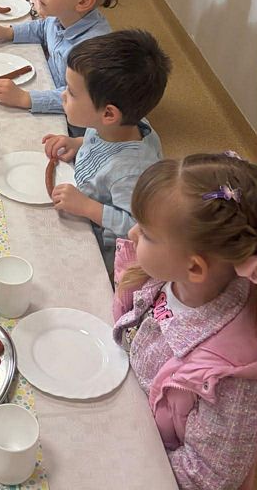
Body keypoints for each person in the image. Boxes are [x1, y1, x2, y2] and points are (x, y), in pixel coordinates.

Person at [113, 153, 257, 490]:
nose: (132, 233)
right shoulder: (166, 275)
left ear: (194, 267)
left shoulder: (230, 378)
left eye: (146, 234)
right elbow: (131, 323)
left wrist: (128, 456)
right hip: (125, 403)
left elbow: (207, 475)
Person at [43, 29, 171, 273]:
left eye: (71, 92)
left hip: (101, 253)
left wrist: (88, 207)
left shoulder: (130, 171)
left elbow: (138, 226)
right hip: (78, 205)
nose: (63, 95)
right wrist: (78, 143)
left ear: (109, 114)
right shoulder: (111, 126)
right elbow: (100, 142)